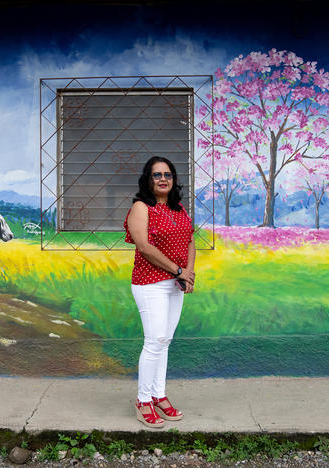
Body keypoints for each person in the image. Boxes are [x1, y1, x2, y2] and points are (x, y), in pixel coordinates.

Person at [124, 156, 196, 428]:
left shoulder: (179, 209)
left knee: (165, 340)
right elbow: (144, 247)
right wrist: (178, 271)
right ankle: (143, 401)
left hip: (175, 283)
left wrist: (188, 273)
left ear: (174, 179)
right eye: (157, 175)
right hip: (150, 282)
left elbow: (190, 241)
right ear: (148, 179)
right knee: (154, 340)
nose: (163, 179)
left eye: (168, 174)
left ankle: (158, 394)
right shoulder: (141, 208)